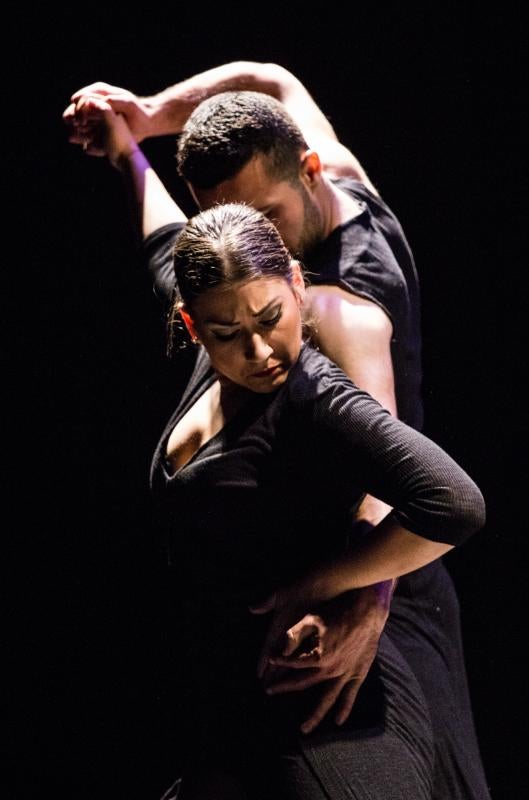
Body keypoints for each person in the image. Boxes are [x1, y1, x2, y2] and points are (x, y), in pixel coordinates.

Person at [64, 64, 491, 798]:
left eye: (262, 217)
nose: (250, 235)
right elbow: (273, 80)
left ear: (308, 172)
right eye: (221, 218)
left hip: (379, 570)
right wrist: (136, 128)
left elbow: (387, 487)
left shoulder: (339, 312)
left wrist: (358, 602)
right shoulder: (313, 213)